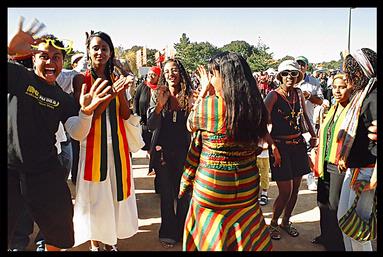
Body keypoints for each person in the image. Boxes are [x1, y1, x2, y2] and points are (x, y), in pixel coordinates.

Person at [8, 17, 113, 251]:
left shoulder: (63, 99)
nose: (50, 61)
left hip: (45, 172)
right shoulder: (18, 77)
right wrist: (8, 50)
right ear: (33, 58)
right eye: (44, 56)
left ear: (62, 62)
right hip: (10, 169)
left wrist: (86, 113)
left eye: (56, 57)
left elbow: (76, 132)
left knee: (59, 232)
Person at [178, 52, 273, 251]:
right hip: (246, 190)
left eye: (213, 75)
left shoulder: (209, 106)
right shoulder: (256, 107)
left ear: (225, 78)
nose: (211, 81)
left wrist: (204, 92)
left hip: (212, 191)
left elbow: (190, 125)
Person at [72, 31, 138, 251]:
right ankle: (95, 242)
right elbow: (90, 114)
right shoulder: (81, 80)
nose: (100, 52)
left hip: (117, 148)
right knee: (95, 198)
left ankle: (110, 241)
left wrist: (120, 92)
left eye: (105, 48)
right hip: (92, 148)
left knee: (114, 196)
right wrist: (110, 93)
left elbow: (126, 114)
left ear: (111, 53)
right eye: (96, 48)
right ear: (89, 52)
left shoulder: (116, 79)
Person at [264, 60, 317, 240]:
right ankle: (273, 223)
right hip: (280, 147)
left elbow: (304, 116)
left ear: (297, 76)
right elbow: (261, 123)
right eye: (285, 74)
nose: (289, 77)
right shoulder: (273, 96)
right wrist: (272, 146)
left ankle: (286, 222)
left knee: (295, 190)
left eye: (293, 74)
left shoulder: (298, 93)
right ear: (280, 76)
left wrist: (313, 133)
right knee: (285, 190)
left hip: (298, 145)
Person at [147, 58, 193, 248]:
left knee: (184, 194)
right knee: (166, 194)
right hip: (163, 153)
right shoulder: (158, 94)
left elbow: (195, 126)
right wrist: (159, 105)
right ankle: (167, 231)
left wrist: (192, 108)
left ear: (181, 72)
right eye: (166, 72)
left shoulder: (190, 95)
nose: (170, 74)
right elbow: (150, 125)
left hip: (185, 153)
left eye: (174, 70)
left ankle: (183, 230)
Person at [336, 48, 377, 251]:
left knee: (359, 231)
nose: (345, 77)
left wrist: (375, 177)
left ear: (359, 72)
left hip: (368, 173)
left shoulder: (374, 97)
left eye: (348, 72)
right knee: (345, 222)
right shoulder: (362, 95)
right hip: (356, 169)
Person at [312, 73, 353, 251]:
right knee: (322, 202)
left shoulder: (352, 111)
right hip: (324, 161)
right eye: (335, 87)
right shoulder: (333, 108)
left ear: (351, 88)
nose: (337, 90)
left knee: (334, 205)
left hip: (339, 164)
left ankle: (336, 243)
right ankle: (325, 235)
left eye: (342, 86)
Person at [295, 56, 324, 191]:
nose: (300, 67)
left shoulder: (313, 82)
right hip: (292, 123)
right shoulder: (289, 78)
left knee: (309, 149)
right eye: (298, 64)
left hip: (308, 122)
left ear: (307, 66)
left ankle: (311, 176)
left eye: (302, 64)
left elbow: (320, 101)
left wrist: (309, 96)